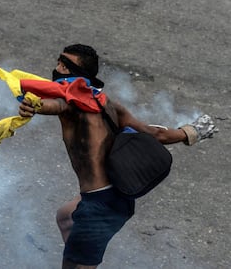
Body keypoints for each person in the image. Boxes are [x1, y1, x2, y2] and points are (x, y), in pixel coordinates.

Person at [18, 44, 216, 269]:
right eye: (59, 62)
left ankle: (82, 259)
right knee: (66, 217)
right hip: (120, 196)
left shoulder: (71, 103)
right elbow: (155, 133)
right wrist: (191, 132)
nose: (58, 68)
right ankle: (84, 257)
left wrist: (34, 106)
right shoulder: (108, 104)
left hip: (99, 207)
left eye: (63, 65)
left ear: (70, 71)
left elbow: (55, 105)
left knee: (75, 259)